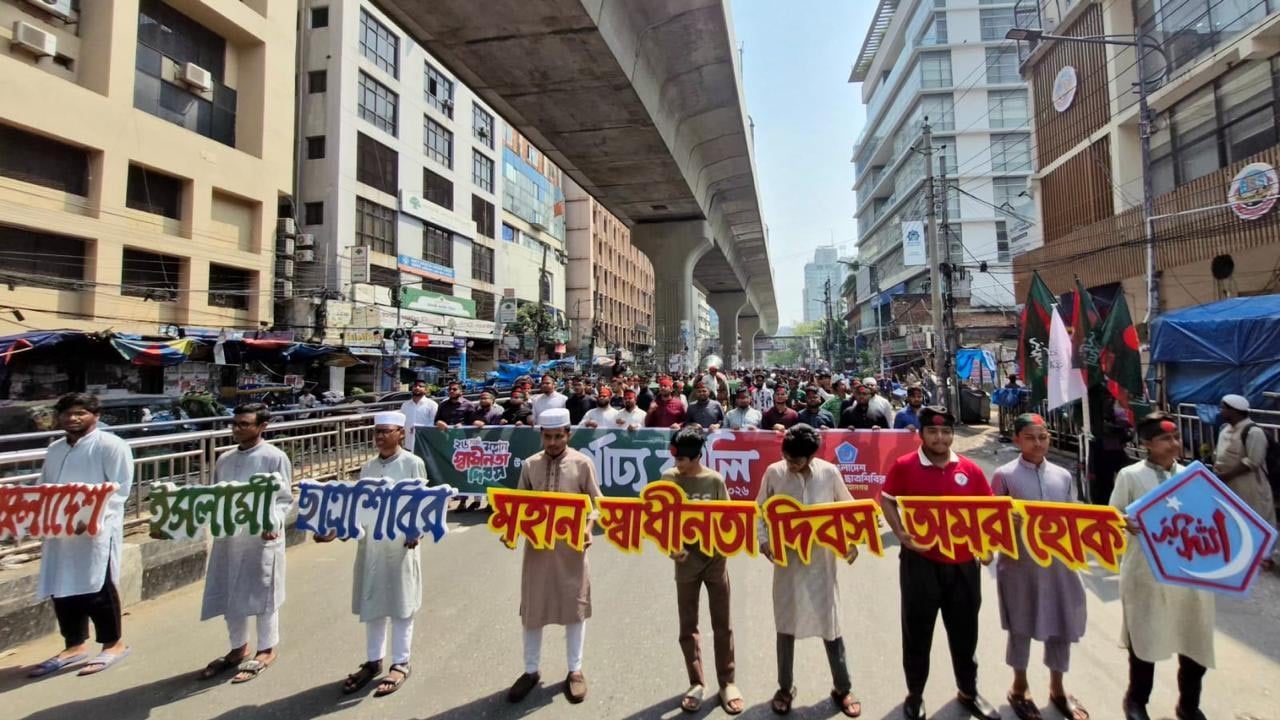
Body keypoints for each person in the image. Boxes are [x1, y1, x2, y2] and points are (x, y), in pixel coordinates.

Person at [881, 407, 1001, 720]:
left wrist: (987, 546)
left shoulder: (970, 470)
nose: (940, 437)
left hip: (963, 564)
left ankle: (968, 690)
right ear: (921, 434)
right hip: (920, 562)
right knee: (917, 631)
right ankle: (915, 694)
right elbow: (887, 498)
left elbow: (988, 511)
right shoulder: (905, 466)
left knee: (965, 631)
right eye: (933, 432)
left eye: (946, 432)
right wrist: (901, 534)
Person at [1112, 413, 1214, 720]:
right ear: (1147, 444)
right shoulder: (1130, 476)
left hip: (1190, 573)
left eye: (1176, 437)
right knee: (1145, 638)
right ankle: (1135, 702)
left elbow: (1210, 520)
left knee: (1194, 641)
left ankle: (1188, 705)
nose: (1174, 444)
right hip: (1146, 573)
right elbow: (1111, 519)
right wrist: (1124, 523)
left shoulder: (1192, 476)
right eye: (1166, 438)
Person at [756, 425, 862, 718]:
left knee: (830, 623)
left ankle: (843, 687)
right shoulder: (774, 472)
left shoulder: (829, 473)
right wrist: (764, 543)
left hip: (821, 560)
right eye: (787, 457)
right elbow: (760, 510)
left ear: (811, 456)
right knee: (786, 622)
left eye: (797, 460)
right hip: (786, 560)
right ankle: (785, 687)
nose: (791, 464)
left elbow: (850, 510)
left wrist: (852, 541)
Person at [321, 411, 429, 698]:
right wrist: (337, 531)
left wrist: (415, 531)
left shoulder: (412, 464)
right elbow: (358, 509)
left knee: (401, 603)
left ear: (401, 433)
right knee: (373, 601)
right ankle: (372, 661)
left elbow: (421, 504)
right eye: (377, 432)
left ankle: (401, 662)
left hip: (401, 546)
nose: (381, 437)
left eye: (387, 431)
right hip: (371, 547)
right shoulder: (368, 467)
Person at [27, 393, 134, 679]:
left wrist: (87, 518)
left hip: (94, 531)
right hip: (60, 532)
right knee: (62, 588)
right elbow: (44, 486)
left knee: (97, 587)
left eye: (80, 413)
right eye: (67, 414)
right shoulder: (55, 449)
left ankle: (114, 644)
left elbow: (120, 491)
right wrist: (35, 514)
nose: (73, 419)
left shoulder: (111, 446)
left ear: (95, 415)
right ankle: (74, 645)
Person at [991, 414, 1089, 720]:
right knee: (1020, 626)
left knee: (1061, 624)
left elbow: (1074, 518)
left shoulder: (1063, 475)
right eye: (1031, 437)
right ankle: (1019, 688)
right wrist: (1006, 519)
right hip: (1020, 566)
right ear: (1018, 439)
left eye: (1043, 436)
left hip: (1060, 565)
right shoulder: (1004, 475)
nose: (1038, 443)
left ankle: (1058, 689)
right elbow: (990, 521)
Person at [507, 408, 602, 705]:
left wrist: (588, 527)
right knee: (533, 609)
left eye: (558, 437)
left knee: (574, 608)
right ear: (541, 436)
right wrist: (511, 529)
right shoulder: (531, 465)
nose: (552, 443)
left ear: (567, 434)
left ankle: (575, 670)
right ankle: (530, 670)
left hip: (572, 549)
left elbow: (598, 504)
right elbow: (519, 503)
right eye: (547, 437)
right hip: (537, 548)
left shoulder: (582, 463)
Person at [195, 404, 293, 684]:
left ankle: (266, 649)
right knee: (230, 590)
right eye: (235, 423)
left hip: (262, 536)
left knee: (264, 591)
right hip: (229, 536)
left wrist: (271, 523)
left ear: (262, 426)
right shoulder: (225, 459)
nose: (238, 429)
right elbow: (216, 495)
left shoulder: (275, 457)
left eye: (245, 424)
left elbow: (284, 499)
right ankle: (238, 648)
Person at [656, 426, 744, 715]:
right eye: (675, 457)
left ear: (696, 457)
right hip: (685, 563)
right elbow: (660, 520)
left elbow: (729, 522)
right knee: (688, 625)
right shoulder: (668, 479)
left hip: (715, 561)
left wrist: (721, 550)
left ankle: (727, 682)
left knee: (722, 623)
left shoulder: (714, 481)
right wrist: (671, 548)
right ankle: (696, 682)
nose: (677, 464)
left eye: (682, 459)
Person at [1214, 394, 1277, 569]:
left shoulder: (1253, 432)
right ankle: (1240, 553)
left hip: (1250, 484)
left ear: (1235, 410)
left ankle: (1265, 556)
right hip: (1228, 484)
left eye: (1224, 408)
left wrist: (1227, 475)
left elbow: (1253, 461)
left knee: (1258, 517)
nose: (1221, 411)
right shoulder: (1224, 429)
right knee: (1233, 517)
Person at [399, 380, 438, 454]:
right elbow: (401, 423)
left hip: (425, 445)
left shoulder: (432, 405)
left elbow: (434, 423)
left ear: (425, 390)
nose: (417, 387)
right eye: (415, 386)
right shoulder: (405, 405)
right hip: (408, 445)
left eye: (420, 386)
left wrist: (419, 429)